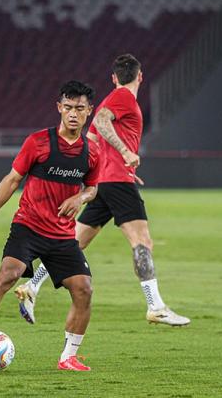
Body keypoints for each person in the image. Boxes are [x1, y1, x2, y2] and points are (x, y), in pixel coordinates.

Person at [14, 54, 190, 326]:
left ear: (114, 76)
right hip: (116, 181)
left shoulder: (109, 99)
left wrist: (118, 167)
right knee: (142, 242)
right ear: (140, 76)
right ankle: (155, 305)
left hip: (107, 182)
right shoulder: (124, 98)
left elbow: (93, 137)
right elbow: (105, 122)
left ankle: (32, 287)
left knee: (73, 244)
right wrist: (125, 153)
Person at [0, 80, 100, 371]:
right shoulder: (38, 142)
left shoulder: (91, 153)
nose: (72, 113)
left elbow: (93, 188)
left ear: (89, 112)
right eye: (67, 107)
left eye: (79, 109)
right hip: (28, 226)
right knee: (10, 273)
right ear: (59, 108)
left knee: (84, 290)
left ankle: (68, 356)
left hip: (62, 236)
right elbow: (12, 180)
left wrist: (80, 197)